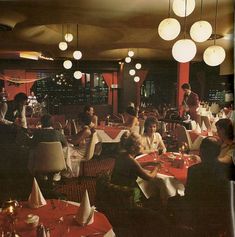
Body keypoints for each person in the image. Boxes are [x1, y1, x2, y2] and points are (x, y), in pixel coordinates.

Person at [111, 132, 160, 203]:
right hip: (126, 191)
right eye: (140, 144)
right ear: (133, 147)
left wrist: (150, 163)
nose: (142, 146)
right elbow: (149, 177)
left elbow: (136, 165)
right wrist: (157, 167)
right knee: (150, 190)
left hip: (115, 185)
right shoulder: (131, 160)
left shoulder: (123, 155)